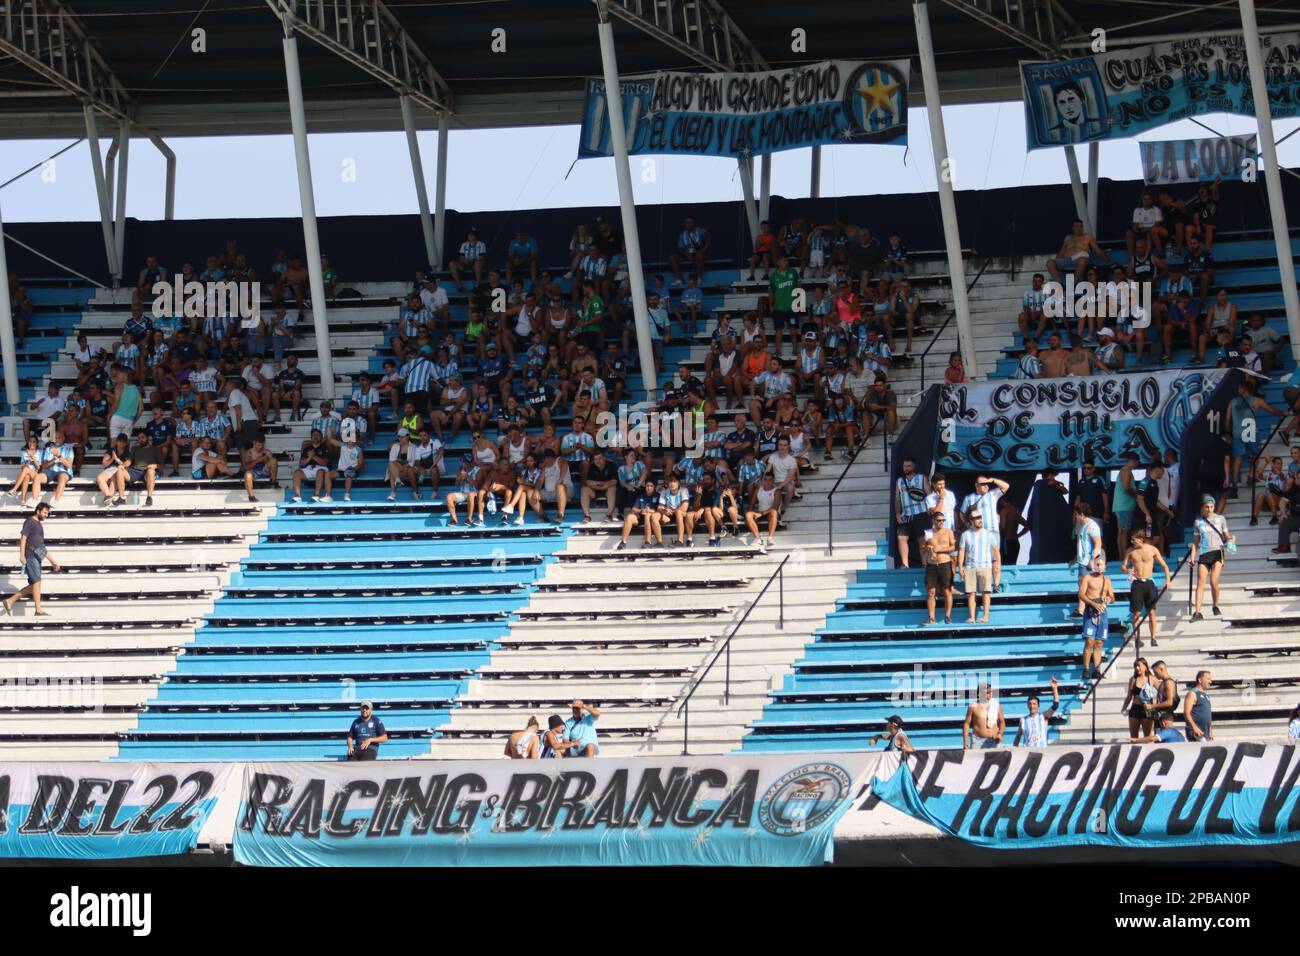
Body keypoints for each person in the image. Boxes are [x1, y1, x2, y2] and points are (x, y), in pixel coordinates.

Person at [3, 503, 57, 617]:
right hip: (30, 556)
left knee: (34, 585)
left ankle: (10, 601)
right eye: (45, 512)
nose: (46, 515)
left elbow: (40, 546)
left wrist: (52, 561)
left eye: (47, 513)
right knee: (37, 582)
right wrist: (22, 555)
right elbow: (23, 539)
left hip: (37, 557)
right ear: (38, 511)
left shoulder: (39, 524)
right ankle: (38, 610)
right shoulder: (30, 522)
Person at [1122, 528, 1170, 647]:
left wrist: (1168, 580)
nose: (1133, 542)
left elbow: (1165, 566)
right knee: (1136, 613)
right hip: (1137, 582)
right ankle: (1137, 638)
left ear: (1141, 539)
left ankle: (1153, 638)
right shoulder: (1130, 551)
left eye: (1134, 540)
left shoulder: (1152, 549)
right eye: (1131, 540)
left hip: (1149, 582)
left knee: (1152, 612)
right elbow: (1123, 566)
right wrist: (1128, 570)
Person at [1190, 495, 1232, 622]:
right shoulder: (1198, 522)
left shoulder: (1221, 519)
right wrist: (1192, 557)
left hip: (1218, 552)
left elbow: (1226, 535)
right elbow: (1195, 543)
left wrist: (1231, 539)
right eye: (1207, 507)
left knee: (1214, 581)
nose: (1209, 509)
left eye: (1211, 506)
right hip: (1204, 553)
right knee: (1201, 582)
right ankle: (1197, 612)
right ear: (1203, 507)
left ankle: (1215, 605)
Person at [956, 510, 1000, 624]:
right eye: (976, 518)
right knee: (971, 593)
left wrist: (998, 564)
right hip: (970, 567)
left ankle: (985, 616)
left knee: (986, 592)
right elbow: (961, 551)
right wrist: (960, 567)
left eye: (980, 517)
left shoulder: (988, 534)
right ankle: (972, 617)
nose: (980, 519)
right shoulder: (965, 535)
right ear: (970, 520)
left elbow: (996, 550)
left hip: (985, 566)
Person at [1077, 553, 1114, 680]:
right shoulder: (1087, 578)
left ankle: (1097, 669)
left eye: (1101, 565)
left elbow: (1112, 598)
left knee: (1099, 643)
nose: (1099, 567)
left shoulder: (1107, 581)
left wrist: (1108, 599)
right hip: (1090, 610)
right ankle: (1086, 668)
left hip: (1102, 612)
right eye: (1097, 564)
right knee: (1089, 641)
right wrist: (1093, 603)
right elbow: (1081, 594)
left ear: (1105, 566)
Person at [895, 458, 930, 569]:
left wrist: (931, 510)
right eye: (905, 466)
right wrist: (897, 513)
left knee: (922, 540)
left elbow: (929, 494)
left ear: (913, 466)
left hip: (921, 512)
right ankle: (905, 564)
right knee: (901, 538)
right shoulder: (899, 481)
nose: (906, 468)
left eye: (909, 466)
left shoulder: (921, 478)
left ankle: (925, 564)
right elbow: (897, 498)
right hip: (906, 514)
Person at [922, 510, 956, 625]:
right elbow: (923, 548)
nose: (941, 522)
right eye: (939, 520)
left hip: (944, 563)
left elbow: (953, 547)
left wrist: (940, 549)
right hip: (932, 564)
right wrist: (927, 548)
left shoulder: (948, 532)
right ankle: (931, 618)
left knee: (947, 590)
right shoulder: (928, 533)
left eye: (943, 520)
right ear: (933, 521)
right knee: (931, 591)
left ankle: (948, 616)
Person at [1012, 678, 1060, 747]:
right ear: (1027, 705)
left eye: (1034, 704)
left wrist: (1055, 689)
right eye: (1030, 704)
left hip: (1042, 753)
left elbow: (1055, 705)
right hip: (1028, 753)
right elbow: (1018, 737)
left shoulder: (1043, 716)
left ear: (1038, 705)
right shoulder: (1023, 720)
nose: (1032, 706)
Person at [1121, 657, 1159, 740]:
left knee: (1148, 737)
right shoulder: (1133, 679)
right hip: (1135, 708)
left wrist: (1155, 704)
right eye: (1135, 666)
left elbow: (1162, 691)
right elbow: (1129, 696)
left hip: (1147, 710)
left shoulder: (1152, 679)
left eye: (1138, 666)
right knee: (1133, 737)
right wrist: (1124, 708)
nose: (1137, 668)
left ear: (1145, 666)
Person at [962, 683, 1004, 749]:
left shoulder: (996, 705)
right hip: (978, 741)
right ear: (980, 694)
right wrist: (965, 742)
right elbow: (966, 724)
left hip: (994, 739)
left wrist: (1000, 733)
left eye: (990, 692)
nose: (990, 695)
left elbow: (1002, 722)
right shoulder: (973, 706)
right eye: (987, 693)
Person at [1184, 670, 1214, 742]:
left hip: (1205, 732)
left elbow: (1207, 714)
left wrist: (1210, 729)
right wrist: (1194, 727)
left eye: (1210, 679)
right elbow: (1186, 713)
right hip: (1196, 732)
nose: (1210, 682)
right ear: (1200, 680)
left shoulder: (1206, 696)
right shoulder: (1193, 693)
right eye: (1208, 679)